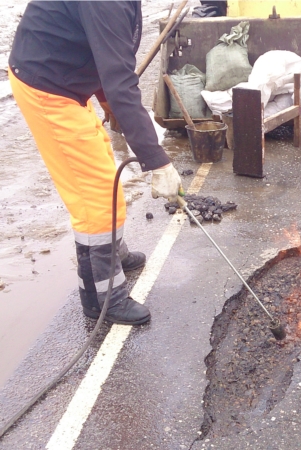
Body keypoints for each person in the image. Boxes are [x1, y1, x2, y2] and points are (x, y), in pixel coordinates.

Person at [9, 1, 183, 324]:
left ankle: (111, 253)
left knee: (103, 158)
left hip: (67, 76)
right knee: (97, 194)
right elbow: (120, 80)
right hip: (47, 84)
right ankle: (102, 297)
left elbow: (107, 50)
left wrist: (107, 101)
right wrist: (157, 162)